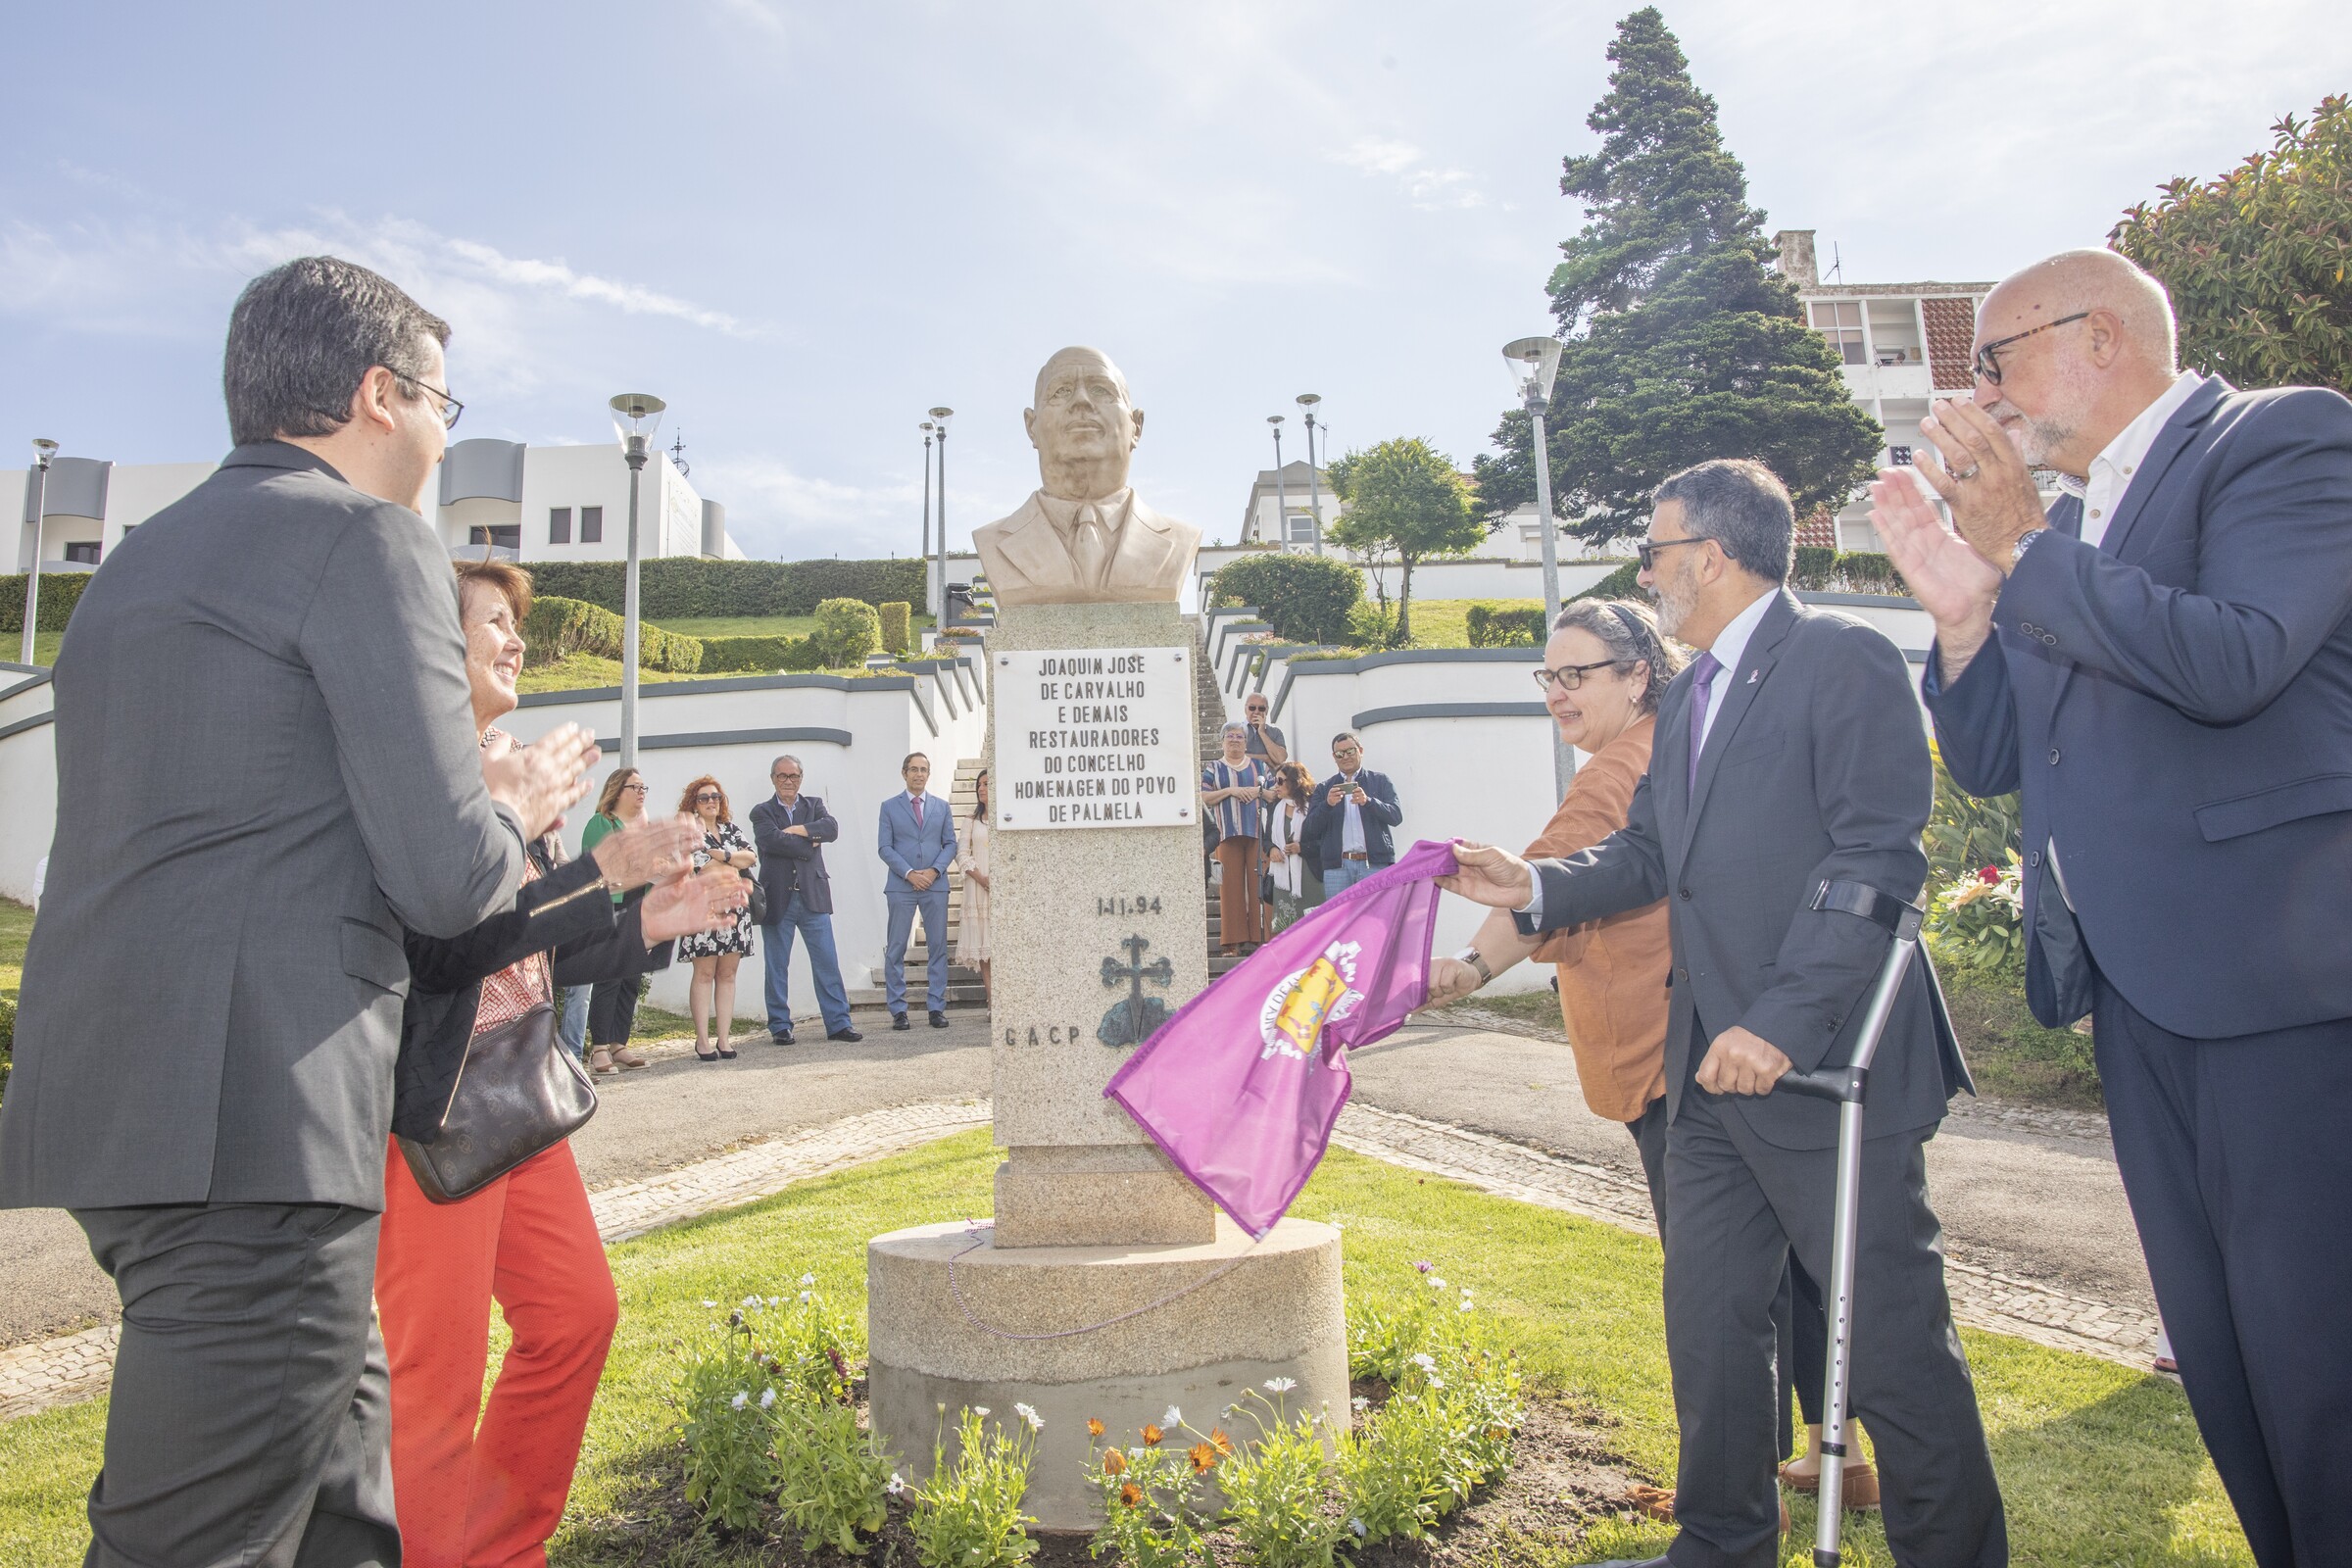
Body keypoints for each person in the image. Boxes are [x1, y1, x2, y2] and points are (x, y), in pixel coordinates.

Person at [0, 255, 599, 1565]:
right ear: (381, 396)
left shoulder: (136, 569)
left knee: (343, 1510)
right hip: (257, 1122)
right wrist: (510, 805)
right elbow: (447, 876)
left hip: (126, 1106)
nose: (441, 436)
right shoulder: (364, 540)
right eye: (442, 402)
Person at [1872, 246, 2352, 1568]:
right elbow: (1994, 755)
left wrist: (2019, 544)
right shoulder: (2069, 532)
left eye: (1995, 359)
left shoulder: (2281, 438)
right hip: (2136, 994)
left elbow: (2237, 658)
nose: (1983, 394)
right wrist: (1964, 616)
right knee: (2230, 1363)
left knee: (2321, 1358)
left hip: (2279, 987)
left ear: (2101, 336)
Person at [1442, 459, 2001, 1568]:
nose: (1645, 573)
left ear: (1711, 555)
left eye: (1654, 552)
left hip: (1824, 1066)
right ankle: (1722, 1543)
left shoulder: (1839, 657)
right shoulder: (1693, 692)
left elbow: (1878, 857)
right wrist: (1534, 884)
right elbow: (1649, 853)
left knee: (1888, 1341)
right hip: (1703, 1076)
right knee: (1711, 1324)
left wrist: (1783, 1020)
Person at [375, 557, 737, 1568]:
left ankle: (499, 1546)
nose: (515, 639)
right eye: (491, 620)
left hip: (521, 1098)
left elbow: (529, 943)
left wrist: (645, 920)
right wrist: (600, 868)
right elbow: (444, 947)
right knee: (435, 1380)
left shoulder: (507, 767)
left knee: (577, 1316)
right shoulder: (413, 770)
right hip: (436, 1111)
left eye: (515, 622)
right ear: (430, 638)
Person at [969, 346, 1200, 606]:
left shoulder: (1178, 539)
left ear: (1136, 426)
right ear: (1031, 426)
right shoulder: (992, 541)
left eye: (1101, 390)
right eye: (1061, 391)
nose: (1081, 400)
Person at [750, 754, 860, 1046]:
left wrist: (798, 830)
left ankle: (839, 1023)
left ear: (801, 778)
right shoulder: (761, 811)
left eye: (794, 776)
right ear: (773, 778)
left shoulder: (814, 805)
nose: (788, 781)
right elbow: (771, 840)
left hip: (813, 896)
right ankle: (780, 1026)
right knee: (777, 966)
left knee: (827, 962)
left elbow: (831, 829)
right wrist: (809, 842)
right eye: (782, 775)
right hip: (777, 898)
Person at [580, 767, 656, 1074]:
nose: (641, 792)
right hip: (610, 906)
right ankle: (599, 1048)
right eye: (635, 787)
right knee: (609, 976)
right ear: (617, 790)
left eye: (643, 787)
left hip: (638, 905)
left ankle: (619, 1044)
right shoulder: (601, 823)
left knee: (631, 977)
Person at [677, 775, 758, 1061]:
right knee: (704, 974)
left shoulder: (730, 829)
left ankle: (724, 1039)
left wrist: (720, 854)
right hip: (705, 908)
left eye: (716, 797)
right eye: (704, 798)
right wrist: (730, 860)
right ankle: (702, 1040)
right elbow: (703, 867)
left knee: (727, 974)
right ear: (694, 803)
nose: (711, 801)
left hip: (735, 909)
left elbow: (750, 857)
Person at [879, 752, 956, 1030]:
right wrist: (910, 873)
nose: (919, 774)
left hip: (935, 885)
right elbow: (884, 847)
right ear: (904, 773)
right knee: (896, 948)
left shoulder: (941, 807)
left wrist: (935, 871)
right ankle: (899, 1011)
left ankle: (936, 1007)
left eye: (923, 770)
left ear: (928, 774)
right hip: (901, 885)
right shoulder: (889, 807)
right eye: (914, 769)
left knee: (938, 947)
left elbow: (951, 844)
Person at [1301, 731, 1401, 898]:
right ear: (1334, 757)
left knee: (1374, 913)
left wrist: (1368, 801)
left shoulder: (1380, 780)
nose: (1345, 757)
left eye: (1350, 751)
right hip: (1338, 867)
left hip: (1374, 864)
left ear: (1360, 751)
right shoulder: (1324, 788)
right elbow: (1309, 830)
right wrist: (1327, 805)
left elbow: (1396, 816)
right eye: (1340, 754)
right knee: (1339, 914)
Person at [1202, 721, 1274, 955]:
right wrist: (1231, 791)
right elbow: (1204, 796)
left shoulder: (1259, 766)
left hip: (1257, 832)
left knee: (1259, 885)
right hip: (1226, 833)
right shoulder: (1214, 767)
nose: (1234, 740)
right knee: (1230, 888)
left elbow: (1275, 793)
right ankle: (1232, 942)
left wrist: (1256, 791)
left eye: (1239, 737)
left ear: (1245, 742)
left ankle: (1261, 938)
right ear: (1222, 741)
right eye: (1230, 736)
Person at [956, 768, 995, 1001]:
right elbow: (961, 854)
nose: (981, 788)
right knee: (984, 952)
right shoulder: (970, 821)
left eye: (987, 784)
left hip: (1002, 890)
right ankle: (992, 1002)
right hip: (978, 888)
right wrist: (981, 878)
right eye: (979, 785)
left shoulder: (1007, 817)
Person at [1264, 760, 1314, 932]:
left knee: (1312, 928)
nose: (1275, 786)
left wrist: (1301, 847)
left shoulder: (1313, 805)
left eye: (1280, 781)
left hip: (1309, 872)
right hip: (1283, 875)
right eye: (1275, 781)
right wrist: (1272, 849)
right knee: (1285, 929)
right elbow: (1267, 838)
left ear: (1294, 782)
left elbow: (1322, 839)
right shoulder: (1274, 806)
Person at [1243, 693, 1289, 767]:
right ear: (1245, 709)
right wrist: (1265, 758)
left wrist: (1262, 733)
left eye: (1261, 708)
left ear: (1267, 711)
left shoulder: (1275, 732)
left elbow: (1281, 759)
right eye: (1252, 708)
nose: (1256, 712)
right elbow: (1232, 756)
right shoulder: (1237, 730)